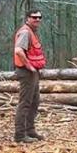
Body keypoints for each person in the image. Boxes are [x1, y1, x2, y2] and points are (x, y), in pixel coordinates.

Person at [12, 9, 47, 143]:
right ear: (27, 18)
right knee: (25, 103)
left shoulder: (32, 32)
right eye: (34, 17)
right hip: (26, 72)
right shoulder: (26, 32)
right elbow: (19, 51)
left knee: (34, 101)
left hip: (32, 72)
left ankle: (30, 130)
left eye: (39, 17)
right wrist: (29, 66)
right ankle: (20, 135)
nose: (37, 20)